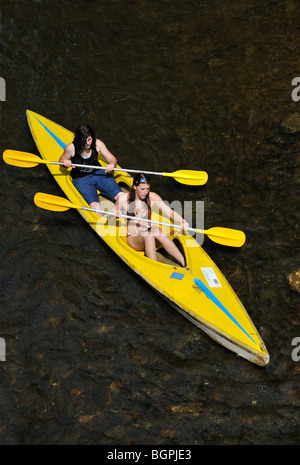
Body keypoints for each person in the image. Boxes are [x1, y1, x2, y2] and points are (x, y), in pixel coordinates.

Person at [115, 173, 189, 267]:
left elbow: (170, 212)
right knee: (149, 235)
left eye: (147, 189)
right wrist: (116, 213)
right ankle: (155, 267)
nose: (145, 192)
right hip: (133, 237)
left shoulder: (152, 197)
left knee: (158, 231)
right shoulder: (123, 199)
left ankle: (184, 264)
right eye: (142, 189)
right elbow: (113, 211)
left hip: (149, 229)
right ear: (134, 187)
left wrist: (182, 221)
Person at [59, 124, 122, 213]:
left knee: (122, 196)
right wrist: (64, 163)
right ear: (79, 140)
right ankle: (104, 221)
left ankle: (117, 212)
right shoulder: (71, 148)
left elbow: (112, 158)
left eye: (89, 139)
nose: (88, 143)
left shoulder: (97, 144)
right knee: (95, 208)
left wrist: (112, 163)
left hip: (99, 174)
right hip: (81, 179)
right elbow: (61, 160)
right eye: (84, 141)